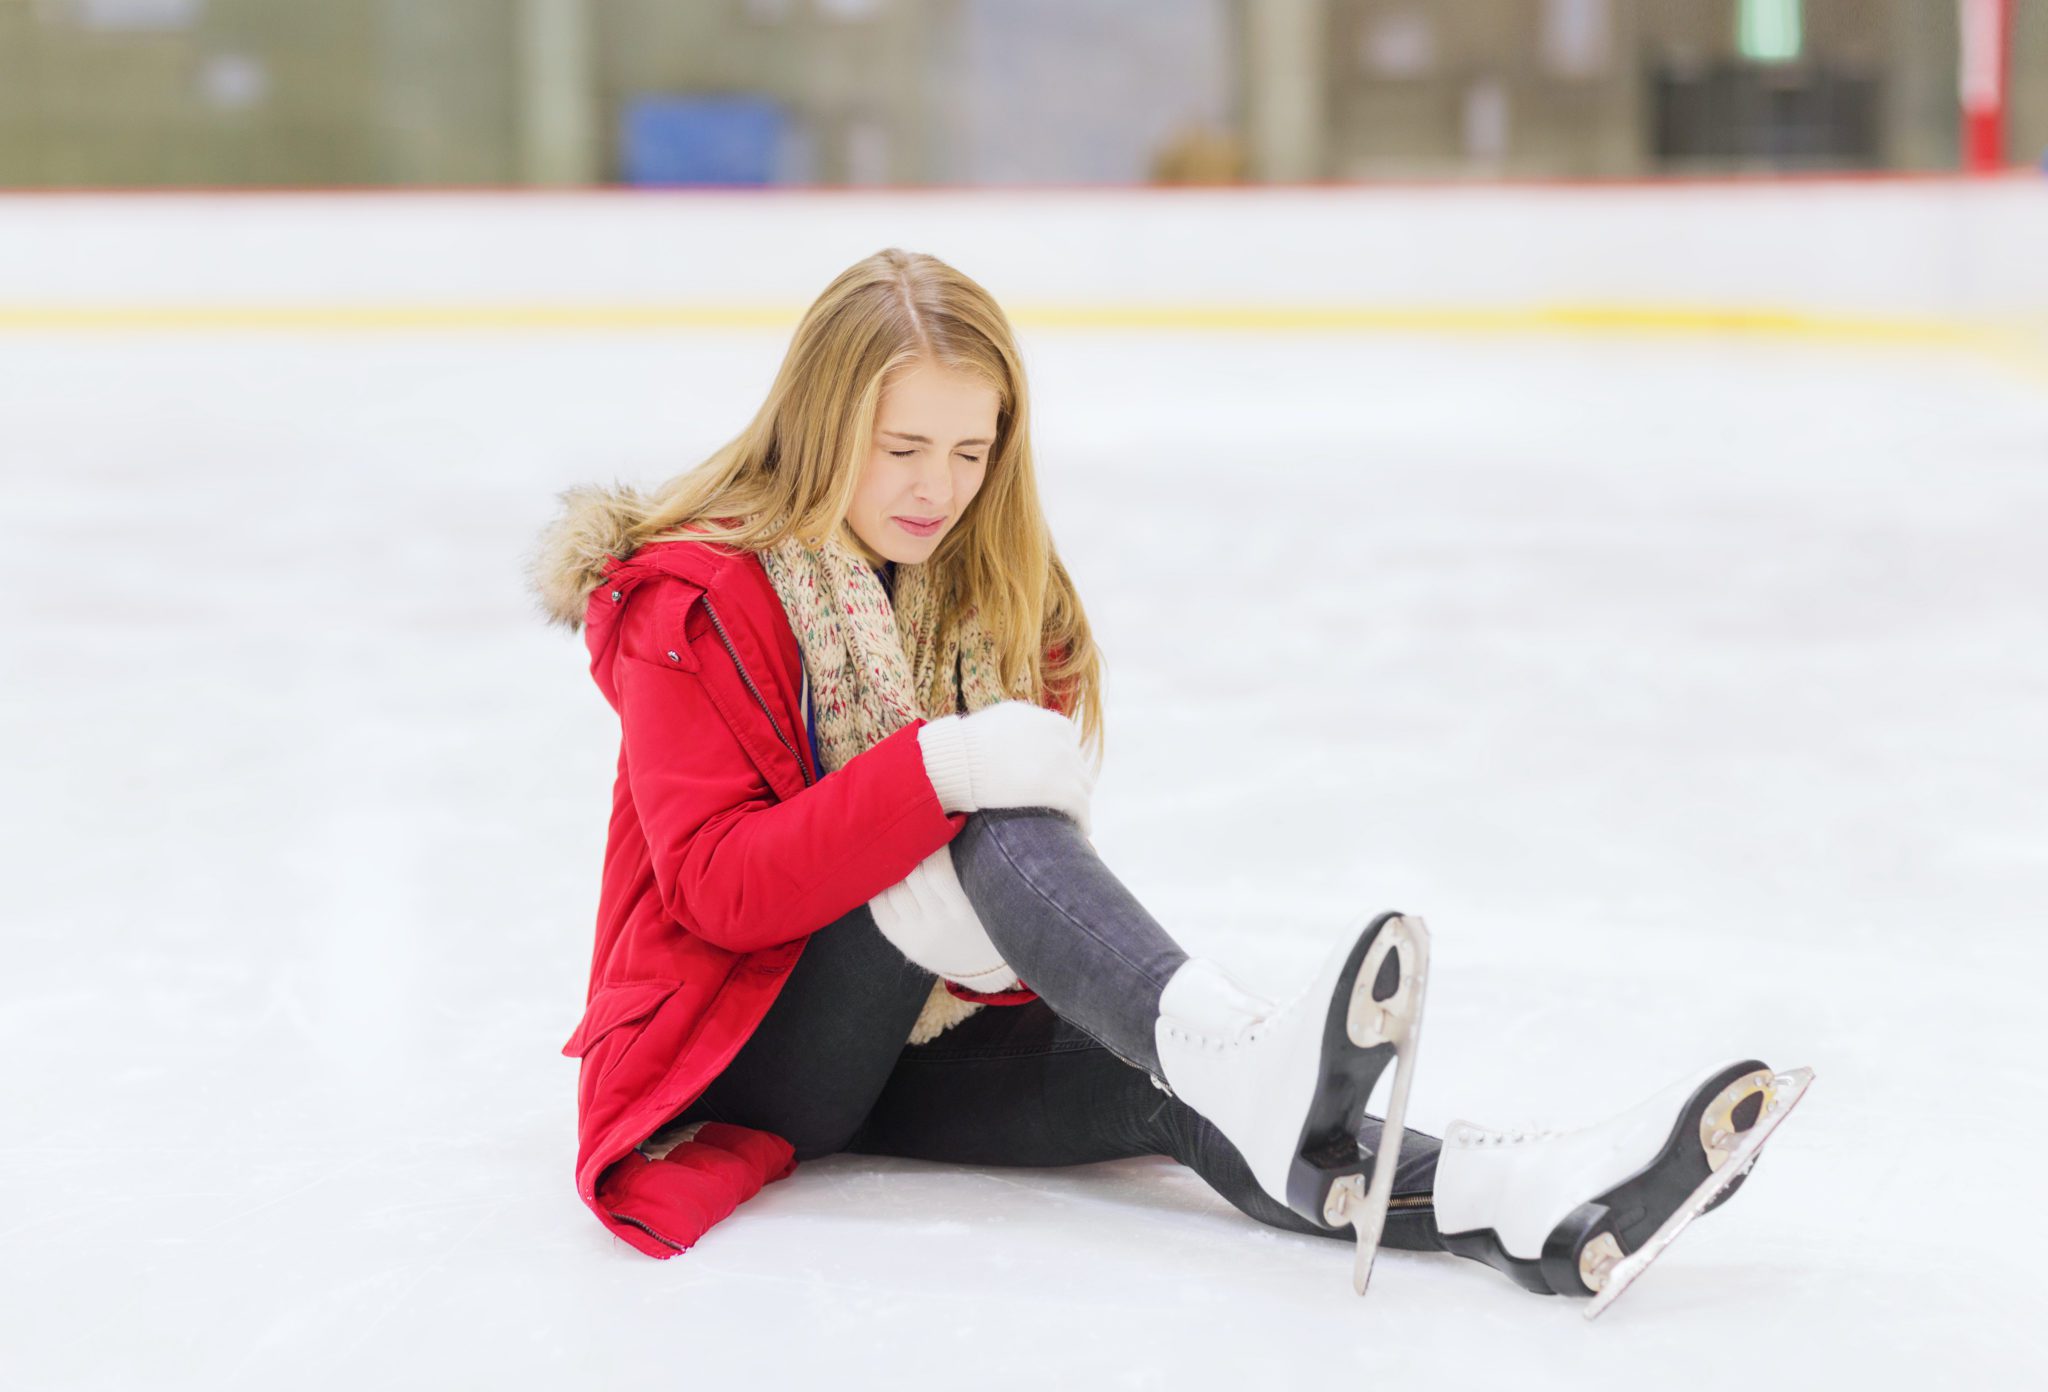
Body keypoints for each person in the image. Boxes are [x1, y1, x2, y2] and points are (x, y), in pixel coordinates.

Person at [528, 247, 1808, 1306]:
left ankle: (1513, 1199)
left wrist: (975, 928)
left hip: (935, 1044)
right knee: (984, 817)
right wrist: (939, 769)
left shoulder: (999, 592)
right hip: (743, 1055)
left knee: (1182, 1095)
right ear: (821, 423)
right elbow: (715, 894)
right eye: (900, 446)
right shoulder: (692, 599)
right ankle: (1237, 1049)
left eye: (971, 454)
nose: (937, 489)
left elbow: (1016, 884)